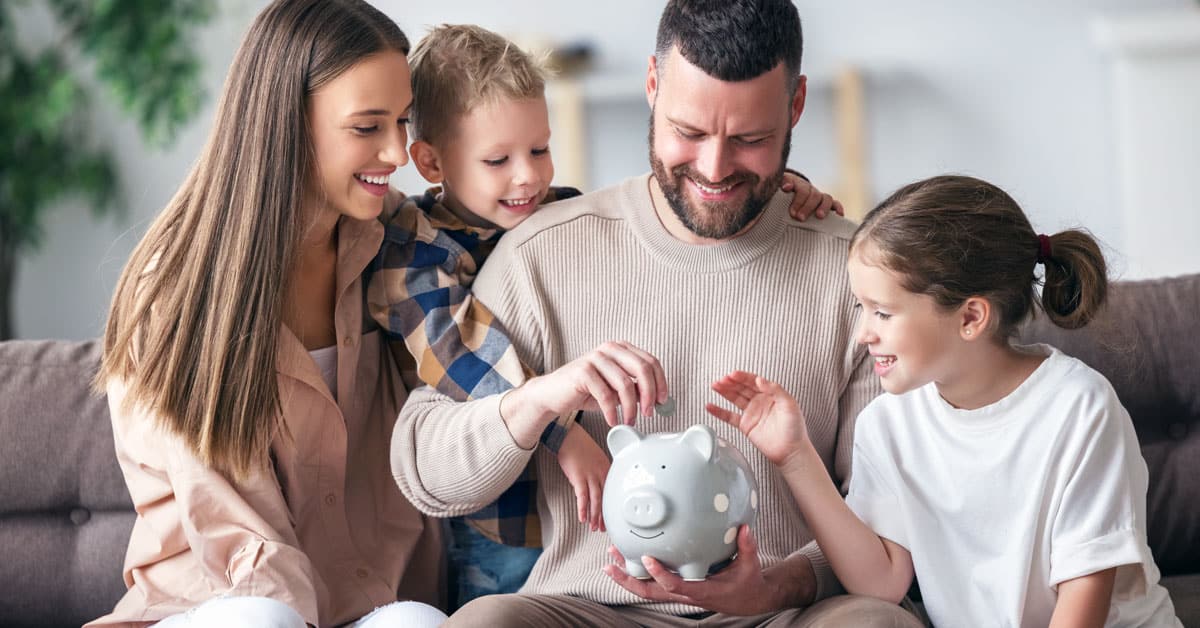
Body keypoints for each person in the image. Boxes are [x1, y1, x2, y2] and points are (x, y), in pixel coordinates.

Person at [391, 0, 923, 625]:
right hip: (589, 608)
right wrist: (538, 400)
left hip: (782, 612)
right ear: (651, 84)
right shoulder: (541, 249)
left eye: (749, 139)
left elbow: (887, 522)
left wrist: (775, 586)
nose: (714, 168)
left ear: (796, 106)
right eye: (689, 133)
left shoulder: (854, 274)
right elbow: (424, 473)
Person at [89, 1, 447, 626]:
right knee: (265, 619)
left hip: (367, 602)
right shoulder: (176, 288)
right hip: (217, 601)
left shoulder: (398, 242)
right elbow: (231, 528)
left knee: (416, 622)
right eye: (367, 128)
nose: (398, 152)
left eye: (402, 120)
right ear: (286, 124)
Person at [707, 175, 1182, 627]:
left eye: (883, 312)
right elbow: (881, 581)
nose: (862, 334)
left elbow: (1085, 594)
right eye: (861, 308)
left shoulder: (1079, 409)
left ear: (971, 317)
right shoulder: (889, 424)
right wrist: (795, 456)